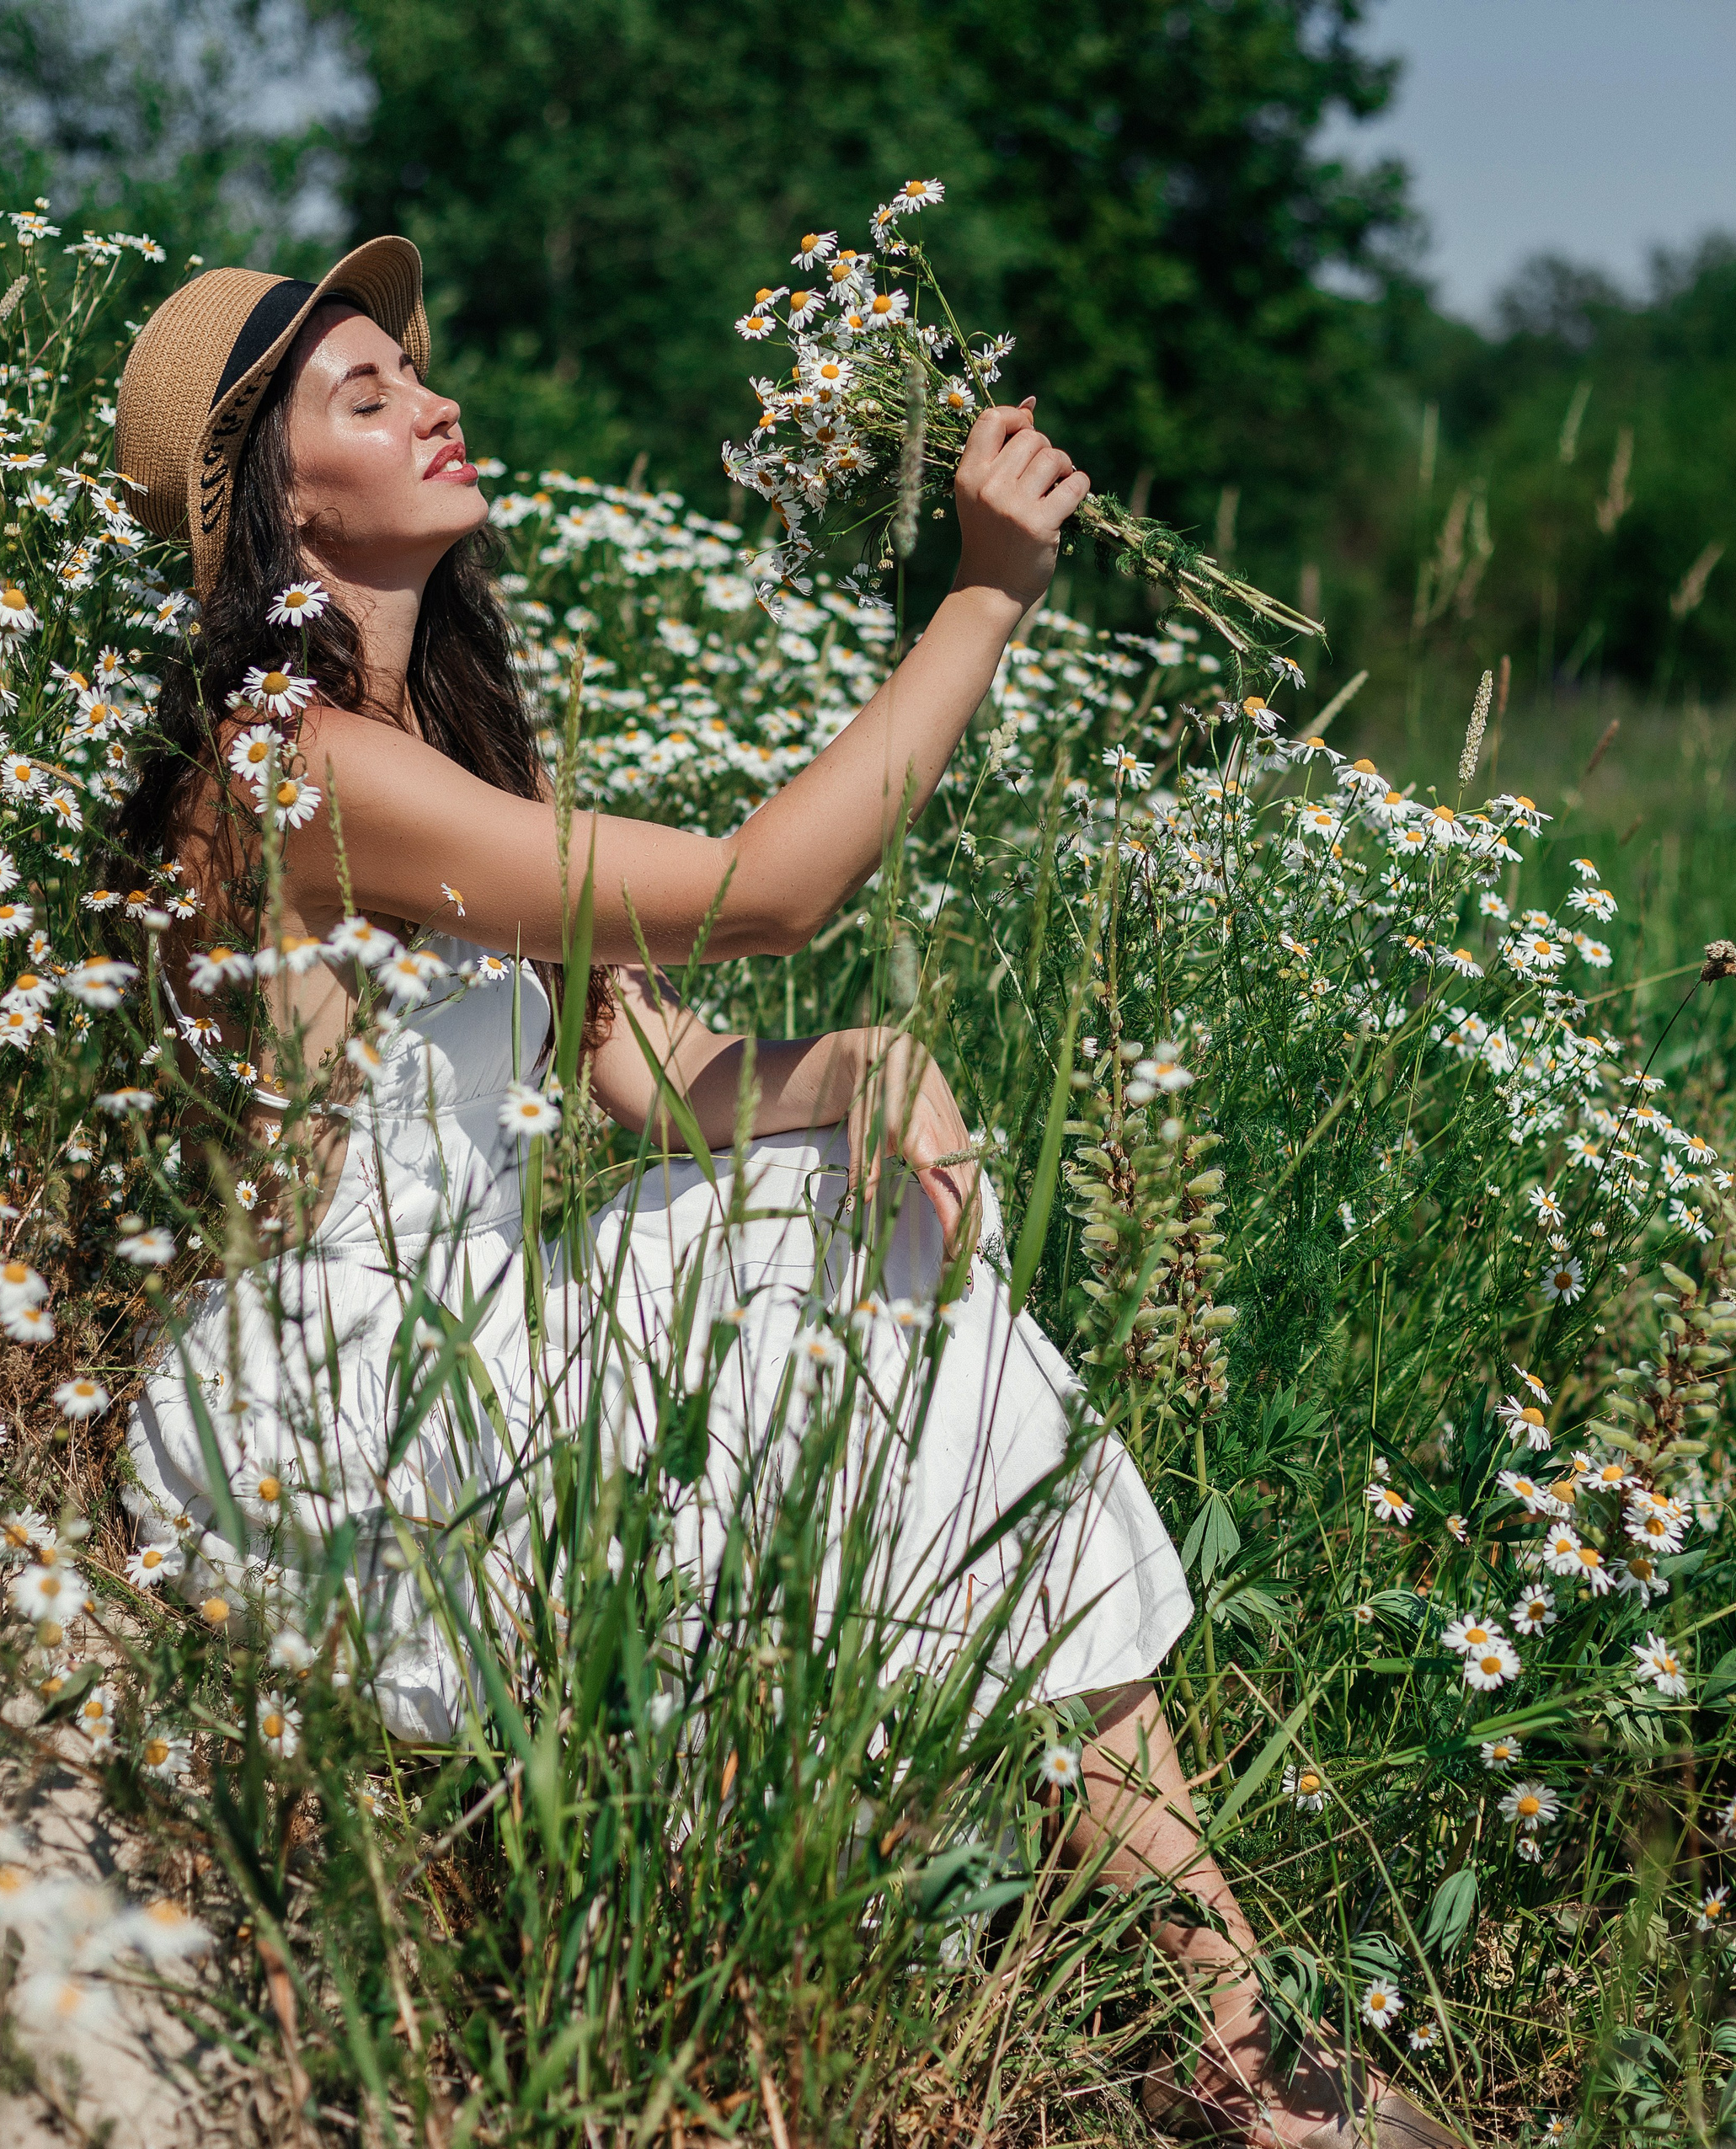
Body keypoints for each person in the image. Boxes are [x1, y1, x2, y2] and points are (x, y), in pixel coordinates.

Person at [110, 243, 1462, 2149]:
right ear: (271, 501)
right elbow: (765, 889)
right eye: (366, 394)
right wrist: (982, 601)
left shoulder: (435, 747)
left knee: (876, 1219)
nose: (432, 400)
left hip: (477, 1328)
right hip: (348, 1392)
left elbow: (645, 1073)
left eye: (414, 366)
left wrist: (841, 1073)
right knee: (849, 1259)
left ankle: (1223, 2031)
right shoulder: (298, 765)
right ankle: (1227, 2052)